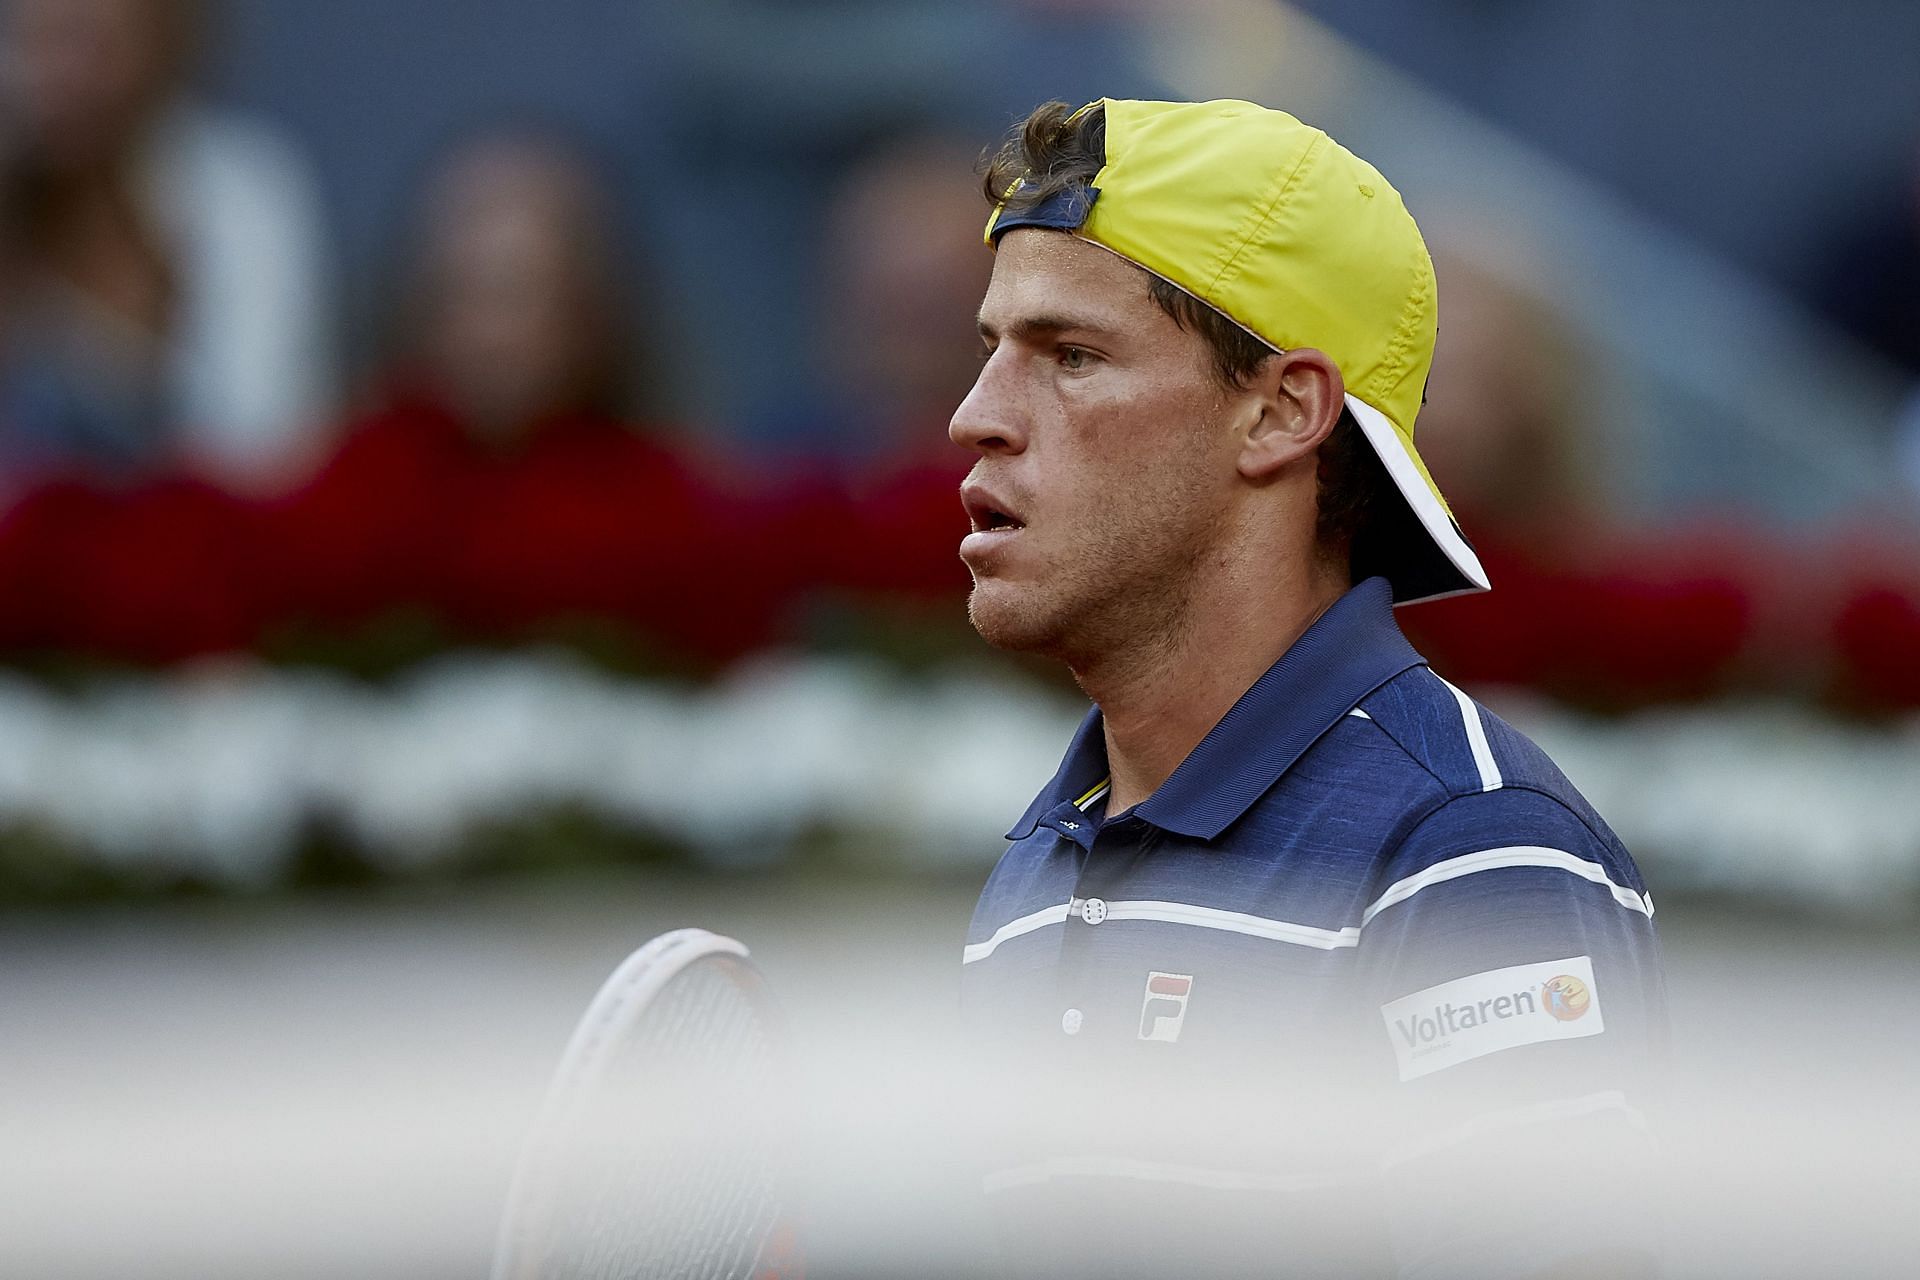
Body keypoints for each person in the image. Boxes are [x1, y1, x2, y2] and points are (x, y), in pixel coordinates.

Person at [951, 99, 1666, 1278]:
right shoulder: (1038, 856)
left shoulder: (1474, 846)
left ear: (1284, 410)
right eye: (991, 350)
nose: (974, 417)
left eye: (1070, 356)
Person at [0, 0, 335, 489]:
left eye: (93, 42)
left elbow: (271, 450)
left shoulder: (245, 198)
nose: (61, 71)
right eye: (39, 39)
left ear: (167, 46)